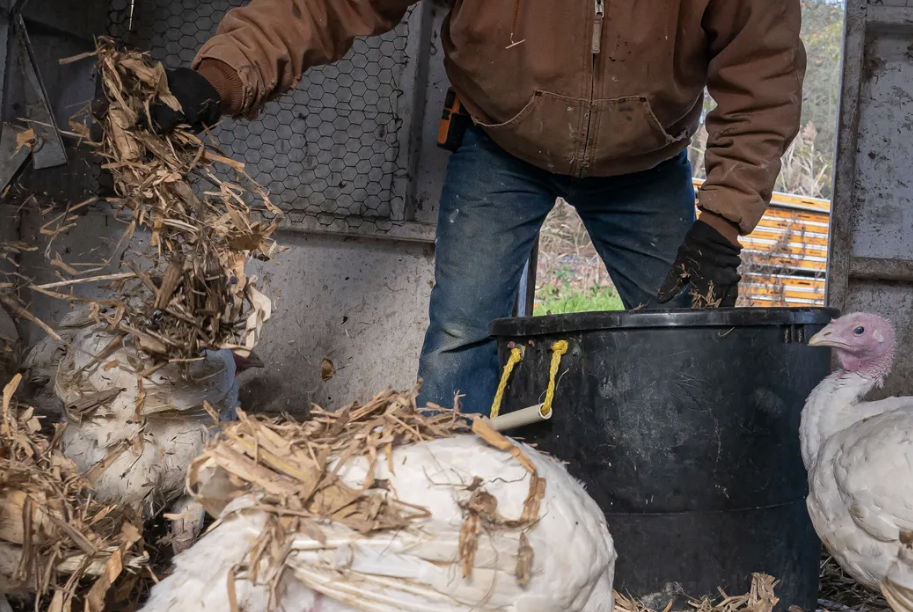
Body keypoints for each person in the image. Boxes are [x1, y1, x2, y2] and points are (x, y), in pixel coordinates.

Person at [145, 0, 807, 413]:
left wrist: (721, 220)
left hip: (646, 162)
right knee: (461, 340)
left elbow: (764, 74)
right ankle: (451, 502)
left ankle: (684, 496)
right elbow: (326, 3)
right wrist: (223, 75)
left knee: (695, 341)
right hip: (503, 143)